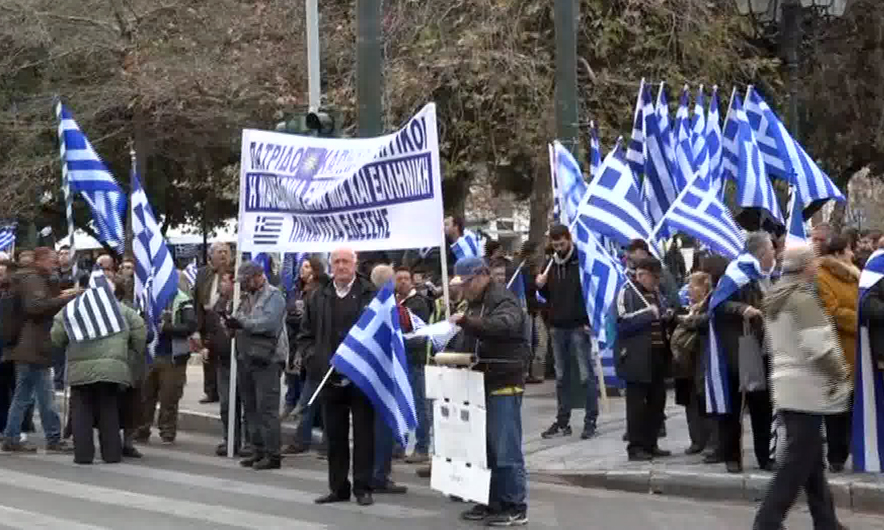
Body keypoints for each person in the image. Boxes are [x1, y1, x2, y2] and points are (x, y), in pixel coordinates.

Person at [753, 244, 850, 530]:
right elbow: (819, 347)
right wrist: (839, 374)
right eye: (813, 263)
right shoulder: (801, 300)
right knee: (797, 462)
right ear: (807, 267)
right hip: (806, 386)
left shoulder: (775, 298)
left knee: (812, 461)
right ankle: (767, 521)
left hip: (787, 385)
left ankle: (826, 521)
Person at [450, 257, 529, 527]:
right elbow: (468, 339)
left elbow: (504, 326)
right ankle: (491, 501)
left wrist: (467, 322)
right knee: (486, 449)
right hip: (479, 381)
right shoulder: (474, 303)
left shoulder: (502, 299)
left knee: (505, 448)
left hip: (503, 380)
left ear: (482, 275)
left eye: (467, 282)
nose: (464, 288)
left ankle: (514, 505)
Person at [298, 247, 378, 506]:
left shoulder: (370, 294)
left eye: (346, 261)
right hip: (329, 376)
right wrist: (314, 359)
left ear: (355, 264)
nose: (341, 266)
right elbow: (305, 335)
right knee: (334, 436)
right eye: (337, 261)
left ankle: (363, 488)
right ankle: (338, 487)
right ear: (331, 265)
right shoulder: (318, 295)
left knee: (364, 435)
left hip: (362, 377)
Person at [50, 275, 147, 464]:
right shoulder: (122, 310)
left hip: (79, 371)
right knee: (109, 410)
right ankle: (112, 454)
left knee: (81, 412)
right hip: (112, 370)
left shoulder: (71, 310)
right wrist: (132, 352)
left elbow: (56, 337)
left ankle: (83, 455)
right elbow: (140, 331)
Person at [1, 247, 79, 452]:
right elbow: (35, 306)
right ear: (41, 260)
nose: (56, 264)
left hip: (25, 346)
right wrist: (65, 298)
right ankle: (53, 438)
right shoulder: (33, 279)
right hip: (33, 345)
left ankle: (11, 437)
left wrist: (61, 293)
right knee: (46, 396)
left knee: (22, 396)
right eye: (53, 260)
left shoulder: (29, 278)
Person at [710, 232, 775, 473]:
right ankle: (732, 457)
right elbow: (717, 305)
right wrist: (743, 308)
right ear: (760, 252)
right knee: (735, 406)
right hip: (739, 349)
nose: (774, 254)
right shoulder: (736, 274)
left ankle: (764, 457)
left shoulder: (768, 277)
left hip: (765, 346)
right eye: (771, 249)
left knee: (763, 406)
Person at [536, 224, 599, 440]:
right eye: (555, 245)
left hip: (578, 324)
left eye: (562, 243)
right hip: (557, 325)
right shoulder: (551, 262)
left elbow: (590, 289)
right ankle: (563, 421)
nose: (559, 248)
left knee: (585, 375)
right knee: (561, 377)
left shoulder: (580, 261)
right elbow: (545, 294)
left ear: (569, 239)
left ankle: (591, 419)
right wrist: (540, 285)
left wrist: (588, 319)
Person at [229, 261, 287, 471]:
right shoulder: (246, 297)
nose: (243, 285)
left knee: (267, 408)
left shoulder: (274, 296)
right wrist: (231, 322)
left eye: (246, 280)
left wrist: (243, 322)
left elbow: (268, 324)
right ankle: (257, 449)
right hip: (246, 356)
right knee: (250, 407)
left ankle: (273, 454)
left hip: (267, 360)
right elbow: (238, 317)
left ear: (258, 276)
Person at [615, 257, 674, 461]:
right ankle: (636, 446)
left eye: (647, 275)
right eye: (640, 274)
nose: (642, 279)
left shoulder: (657, 293)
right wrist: (647, 314)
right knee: (637, 405)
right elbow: (622, 322)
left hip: (657, 354)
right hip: (636, 356)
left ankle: (651, 443)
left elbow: (663, 313)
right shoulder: (628, 292)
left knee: (657, 402)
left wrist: (667, 315)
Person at [815, 234, 859, 473]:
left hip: (856, 348)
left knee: (853, 404)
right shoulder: (821, 277)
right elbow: (831, 310)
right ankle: (836, 457)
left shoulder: (853, 274)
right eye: (849, 250)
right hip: (835, 348)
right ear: (838, 253)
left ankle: (853, 449)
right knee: (837, 407)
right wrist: (859, 320)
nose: (853, 254)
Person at [136, 283, 196, 444]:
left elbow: (190, 326)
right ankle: (141, 430)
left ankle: (167, 432)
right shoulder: (147, 296)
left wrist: (167, 328)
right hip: (149, 354)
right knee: (145, 395)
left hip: (172, 356)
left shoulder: (182, 300)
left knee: (169, 397)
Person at [368, 264, 410, 494]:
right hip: (385, 373)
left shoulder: (369, 303)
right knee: (383, 428)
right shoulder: (388, 306)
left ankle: (373, 472)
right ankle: (379, 475)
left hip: (372, 373)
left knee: (374, 428)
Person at [281, 256, 328, 454]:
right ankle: (303, 440)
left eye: (308, 268)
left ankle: (324, 444)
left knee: (323, 403)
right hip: (311, 356)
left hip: (324, 355)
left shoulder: (323, 292)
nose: (304, 272)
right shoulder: (303, 291)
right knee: (307, 401)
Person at [671, 272, 714, 455]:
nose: (689, 290)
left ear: (703, 287)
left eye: (692, 286)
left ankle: (711, 441)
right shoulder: (688, 306)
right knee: (691, 402)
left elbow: (704, 323)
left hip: (701, 359)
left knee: (704, 400)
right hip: (686, 364)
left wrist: (686, 321)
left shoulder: (709, 305)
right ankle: (697, 440)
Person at [205, 269, 246, 457]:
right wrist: (208, 346)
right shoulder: (219, 304)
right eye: (221, 281)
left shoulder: (244, 302)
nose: (222, 284)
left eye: (225, 281)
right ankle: (230, 440)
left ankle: (250, 442)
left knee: (246, 404)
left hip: (243, 361)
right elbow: (212, 329)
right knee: (226, 405)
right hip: (223, 361)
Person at [394, 266, 432, 464]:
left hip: (414, 360)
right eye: (398, 278)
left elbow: (419, 334)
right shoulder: (395, 301)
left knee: (419, 405)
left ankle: (422, 447)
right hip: (400, 360)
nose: (402, 282)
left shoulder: (418, 304)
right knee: (401, 404)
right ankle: (399, 444)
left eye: (405, 278)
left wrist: (397, 341)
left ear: (411, 281)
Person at [193, 242, 232, 404]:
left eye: (226, 252)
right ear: (211, 256)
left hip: (224, 317)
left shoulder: (234, 274)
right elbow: (196, 299)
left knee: (224, 355)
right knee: (208, 356)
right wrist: (195, 327)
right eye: (219, 252)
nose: (223, 255)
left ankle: (226, 391)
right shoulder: (203, 273)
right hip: (207, 316)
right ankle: (210, 391)